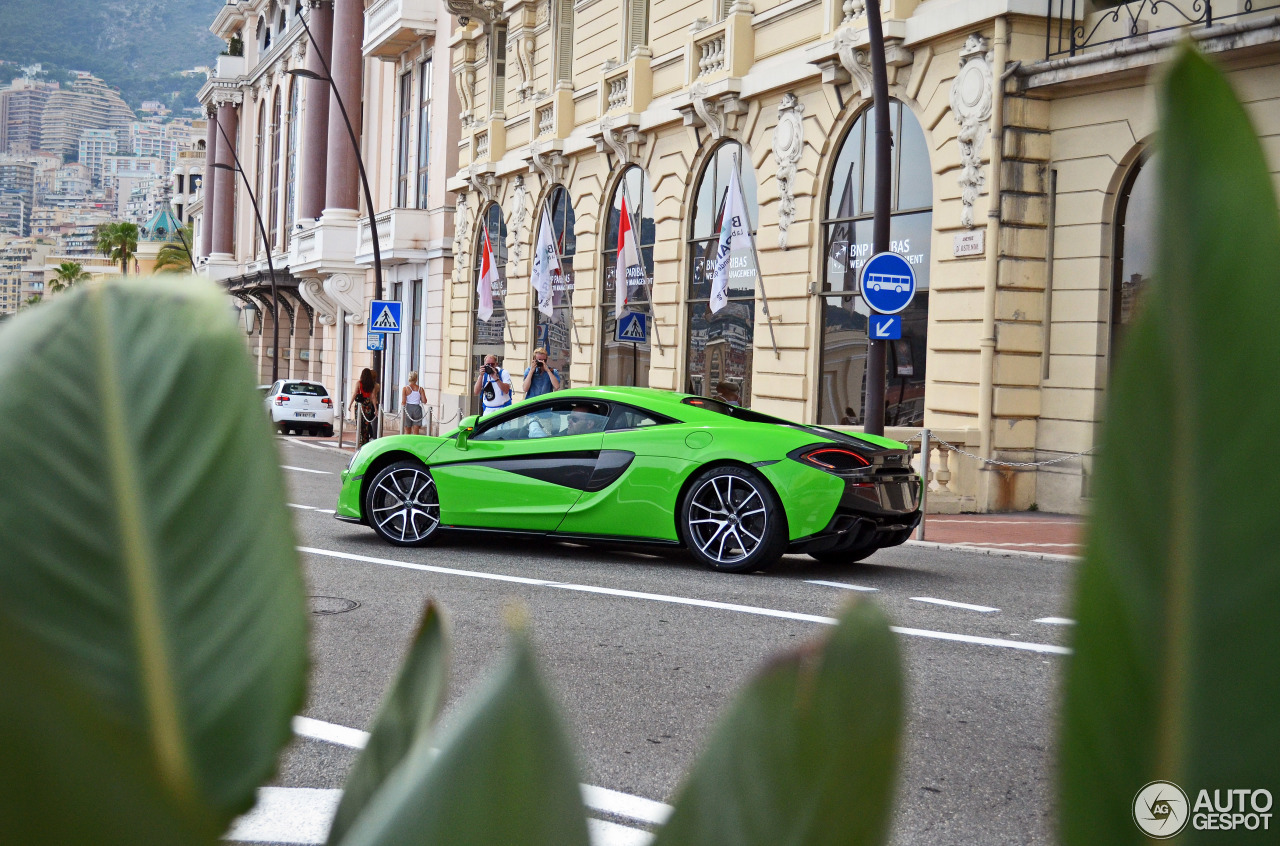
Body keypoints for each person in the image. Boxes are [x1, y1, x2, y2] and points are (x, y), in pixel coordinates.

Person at [349, 367, 379, 447]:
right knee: (366, 424)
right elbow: (373, 397)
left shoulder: (359, 383)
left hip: (360, 405)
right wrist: (375, 408)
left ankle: (360, 440)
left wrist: (350, 404)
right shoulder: (371, 385)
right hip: (368, 405)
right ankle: (365, 441)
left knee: (359, 423)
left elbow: (355, 393)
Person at [401, 371, 426, 435]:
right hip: (417, 408)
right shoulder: (420, 389)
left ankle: (407, 442)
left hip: (408, 408)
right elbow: (424, 401)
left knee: (407, 429)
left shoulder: (405, 389)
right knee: (416, 429)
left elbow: (403, 401)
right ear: (416, 379)